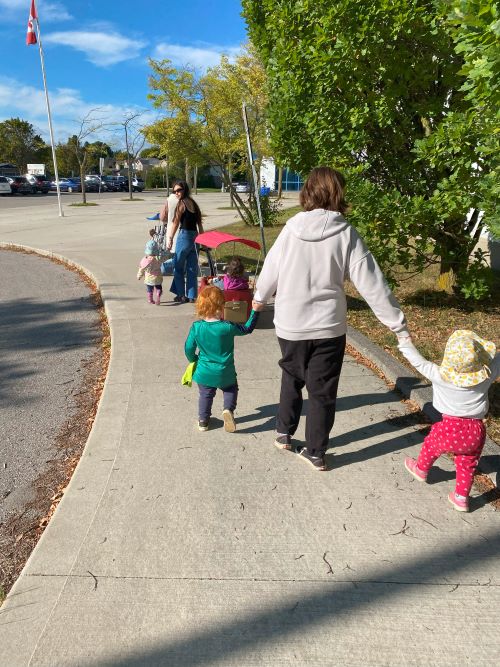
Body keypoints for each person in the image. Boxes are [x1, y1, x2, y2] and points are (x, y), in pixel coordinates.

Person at [252, 166, 410, 471]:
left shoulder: (290, 229)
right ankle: (316, 452)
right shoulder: (346, 233)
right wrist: (397, 325)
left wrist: (259, 300)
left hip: (290, 325)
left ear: (307, 192)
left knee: (292, 377)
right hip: (328, 327)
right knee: (322, 389)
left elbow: (271, 269)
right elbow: (372, 282)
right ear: (339, 192)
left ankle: (284, 433)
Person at [400, 330, 499, 512]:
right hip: (475, 430)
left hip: (448, 427)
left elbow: (419, 362)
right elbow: (498, 362)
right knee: (467, 463)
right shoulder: (485, 376)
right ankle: (461, 498)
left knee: (431, 445)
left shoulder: (438, 375)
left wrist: (405, 343)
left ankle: (421, 469)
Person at [185, 285, 259, 432]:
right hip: (225, 371)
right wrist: (255, 311)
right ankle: (228, 410)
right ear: (222, 305)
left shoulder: (196, 327)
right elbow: (247, 329)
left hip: (204, 371)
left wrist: (193, 359)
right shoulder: (227, 326)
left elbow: (188, 348)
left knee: (205, 395)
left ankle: (203, 421)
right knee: (230, 388)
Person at [166, 181, 204, 303]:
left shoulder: (181, 204)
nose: (176, 193)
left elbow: (176, 223)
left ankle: (181, 295)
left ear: (185, 189)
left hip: (185, 236)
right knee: (192, 268)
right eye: (174, 191)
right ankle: (192, 296)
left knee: (178, 266)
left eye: (179, 190)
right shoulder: (194, 204)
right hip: (195, 238)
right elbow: (199, 224)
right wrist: (202, 240)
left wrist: (170, 238)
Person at [137, 233, 165, 305]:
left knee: (149, 289)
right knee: (158, 287)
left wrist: (139, 276)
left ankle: (150, 299)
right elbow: (165, 257)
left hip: (149, 278)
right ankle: (158, 293)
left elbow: (141, 268)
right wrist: (167, 252)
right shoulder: (158, 258)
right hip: (158, 277)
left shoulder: (144, 260)